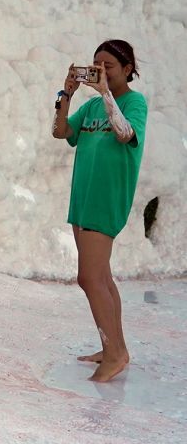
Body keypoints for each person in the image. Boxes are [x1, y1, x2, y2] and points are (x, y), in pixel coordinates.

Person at [51, 39, 147, 382]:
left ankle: (115, 353)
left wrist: (106, 94)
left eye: (108, 66)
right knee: (102, 276)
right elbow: (60, 132)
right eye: (96, 66)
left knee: (88, 278)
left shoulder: (134, 102)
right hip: (83, 198)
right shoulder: (91, 108)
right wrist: (66, 95)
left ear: (127, 69)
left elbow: (124, 133)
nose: (101, 71)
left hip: (106, 198)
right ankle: (113, 347)